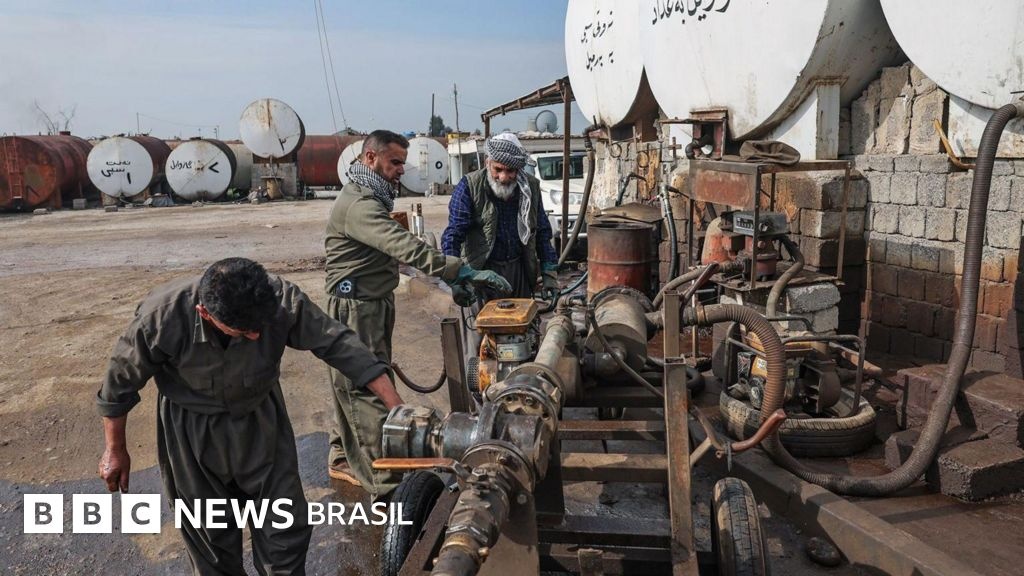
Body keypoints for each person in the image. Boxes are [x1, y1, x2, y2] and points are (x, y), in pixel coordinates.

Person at [96, 257, 395, 575]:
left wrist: (396, 407)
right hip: (191, 435)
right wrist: (115, 450)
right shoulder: (162, 315)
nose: (255, 337)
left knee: (285, 530)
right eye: (243, 332)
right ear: (205, 314)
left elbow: (339, 343)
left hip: (261, 422)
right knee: (210, 537)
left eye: (259, 329)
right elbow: (118, 384)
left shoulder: (281, 299)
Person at [324, 129, 510, 495]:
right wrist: (459, 270)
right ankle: (386, 483)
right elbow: (404, 246)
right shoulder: (360, 204)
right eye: (394, 163)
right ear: (369, 158)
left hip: (372, 302)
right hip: (356, 307)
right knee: (366, 388)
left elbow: (391, 254)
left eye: (402, 163)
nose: (400, 171)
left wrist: (447, 278)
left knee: (355, 381)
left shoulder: (371, 197)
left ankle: (341, 455)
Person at [441, 132, 560, 307]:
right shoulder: (469, 186)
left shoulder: (531, 187)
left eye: (510, 171)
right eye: (498, 169)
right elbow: (454, 233)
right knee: (484, 329)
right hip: (480, 270)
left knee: (521, 326)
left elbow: (541, 231)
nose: (503, 178)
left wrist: (549, 275)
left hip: (519, 268)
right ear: (487, 163)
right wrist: (455, 278)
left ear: (518, 169)